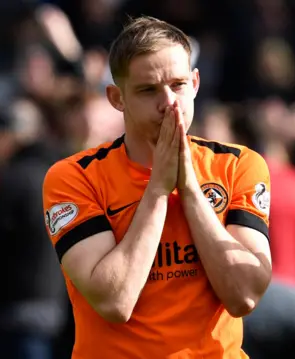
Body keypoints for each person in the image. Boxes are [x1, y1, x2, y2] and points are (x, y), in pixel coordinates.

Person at [41, 16, 272, 359]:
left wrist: (190, 189)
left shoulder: (238, 165)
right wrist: (158, 190)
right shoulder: (74, 177)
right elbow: (114, 301)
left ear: (195, 83)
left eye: (178, 84)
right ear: (117, 98)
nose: (169, 102)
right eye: (148, 90)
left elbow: (244, 296)